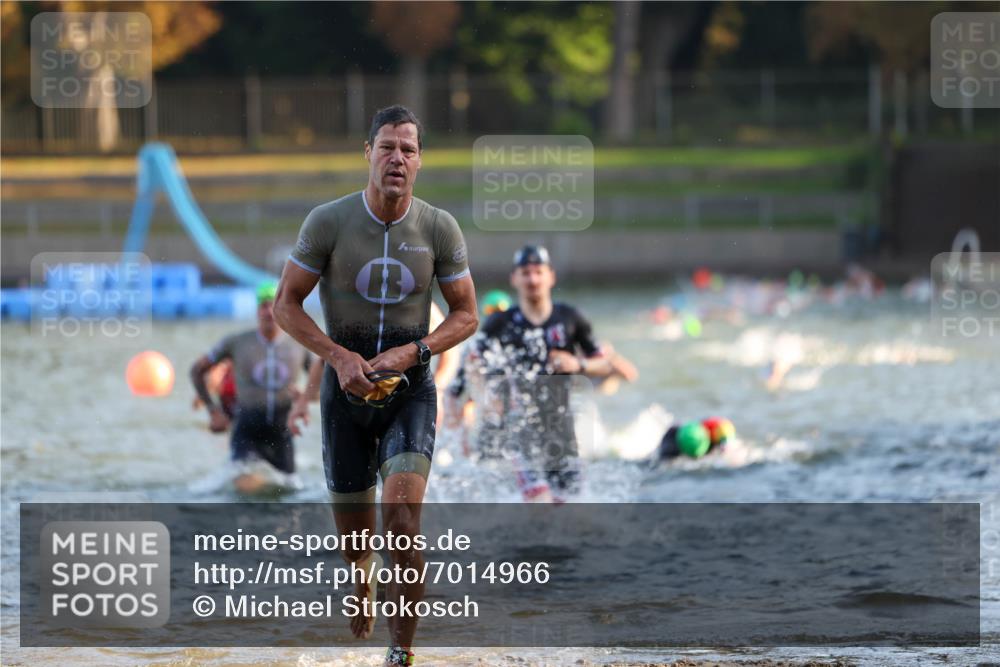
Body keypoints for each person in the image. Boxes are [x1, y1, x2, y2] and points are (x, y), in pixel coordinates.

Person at [273, 105, 478, 667]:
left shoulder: (439, 228)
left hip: (410, 394)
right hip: (344, 396)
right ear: (368, 153)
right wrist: (338, 357)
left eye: (408, 150)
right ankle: (361, 584)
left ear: (419, 161)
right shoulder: (329, 222)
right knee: (357, 542)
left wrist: (416, 351)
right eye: (387, 147)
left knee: (404, 520)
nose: (397, 158)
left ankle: (401, 652)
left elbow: (466, 316)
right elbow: (284, 304)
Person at [475, 245, 631, 502]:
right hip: (518, 431)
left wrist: (577, 365)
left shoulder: (570, 318)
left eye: (538, 272)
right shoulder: (500, 323)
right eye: (526, 273)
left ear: (551, 276)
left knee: (571, 511)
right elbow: (472, 365)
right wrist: (483, 399)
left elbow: (604, 364)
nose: (533, 279)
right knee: (540, 502)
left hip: (562, 429)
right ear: (515, 278)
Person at [189, 283, 310, 493]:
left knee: (288, 494)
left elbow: (322, 383)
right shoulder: (236, 342)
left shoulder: (299, 345)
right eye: (263, 306)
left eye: (272, 305)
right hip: (246, 432)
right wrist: (213, 410)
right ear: (256, 311)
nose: (268, 311)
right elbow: (196, 371)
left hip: (282, 434)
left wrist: (306, 397)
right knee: (246, 489)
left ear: (282, 310)